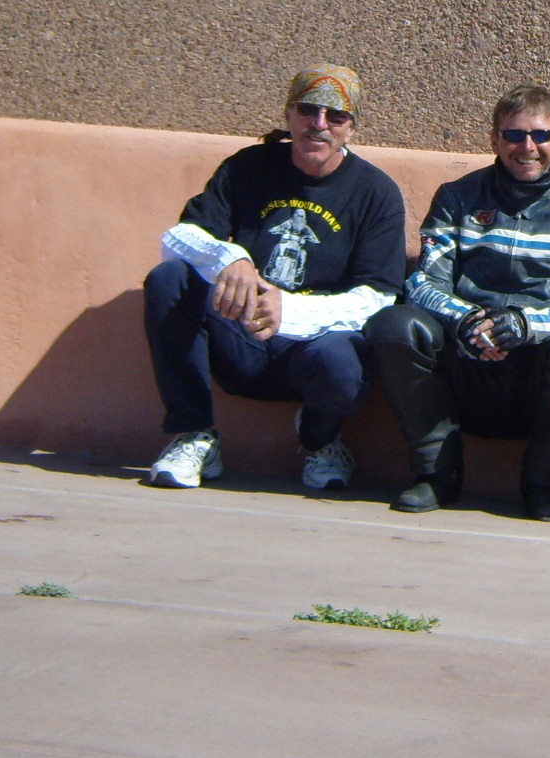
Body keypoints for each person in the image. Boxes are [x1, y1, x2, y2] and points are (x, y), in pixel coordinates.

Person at [143, 66, 407, 493]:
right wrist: (230, 258)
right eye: (308, 110)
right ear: (288, 114)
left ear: (351, 128)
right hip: (240, 335)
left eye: (336, 115)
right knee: (169, 279)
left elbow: (378, 296)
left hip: (311, 351)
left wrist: (290, 310)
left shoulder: (375, 192)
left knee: (343, 363)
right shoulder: (247, 167)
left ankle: (320, 438)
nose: (319, 124)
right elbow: (179, 237)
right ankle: (195, 434)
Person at [367, 85, 550, 521]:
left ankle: (542, 483)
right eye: (514, 135)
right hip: (464, 363)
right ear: (494, 139)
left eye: (541, 135)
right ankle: (435, 474)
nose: (528, 147)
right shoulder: (456, 196)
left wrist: (524, 324)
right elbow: (423, 282)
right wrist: (468, 319)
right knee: (394, 324)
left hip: (538, 373)